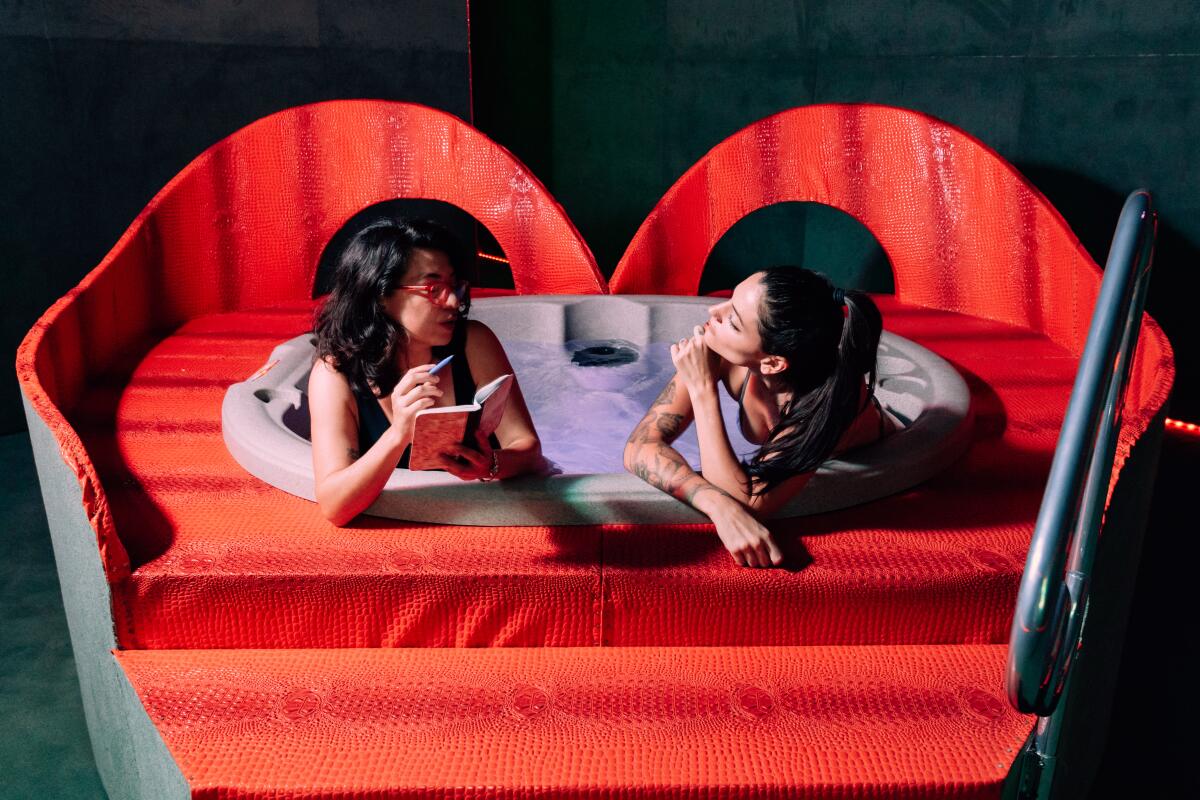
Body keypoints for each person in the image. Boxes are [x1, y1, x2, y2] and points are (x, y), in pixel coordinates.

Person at [623, 266, 895, 568]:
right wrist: (714, 504)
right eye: (730, 299)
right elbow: (639, 446)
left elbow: (749, 503)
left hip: (884, 466)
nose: (714, 311)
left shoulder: (828, 404)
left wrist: (702, 391)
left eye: (734, 321)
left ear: (772, 362)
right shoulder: (718, 349)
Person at [308, 218, 543, 525]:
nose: (454, 301)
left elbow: (529, 449)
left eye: (454, 285)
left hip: (482, 515)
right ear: (382, 295)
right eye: (434, 288)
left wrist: (491, 465)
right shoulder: (334, 375)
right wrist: (399, 434)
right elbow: (335, 506)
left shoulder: (474, 342)